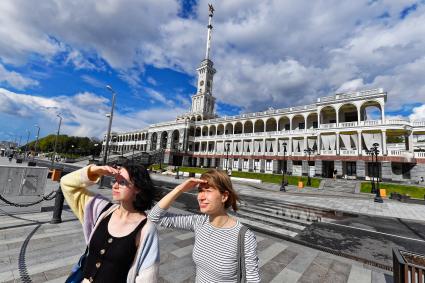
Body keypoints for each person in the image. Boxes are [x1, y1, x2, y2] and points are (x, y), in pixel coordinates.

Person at [148, 169, 261, 282]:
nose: (200, 197)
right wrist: (180, 189)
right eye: (200, 191)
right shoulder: (199, 222)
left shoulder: (244, 237)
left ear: (224, 196)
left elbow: (252, 279)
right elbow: (154, 217)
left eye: (208, 190)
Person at [60, 161, 160, 282]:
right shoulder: (101, 209)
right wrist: (94, 171)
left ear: (138, 188)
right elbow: (66, 183)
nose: (115, 186)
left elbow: (147, 277)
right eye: (115, 180)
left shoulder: (146, 228)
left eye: (122, 182)